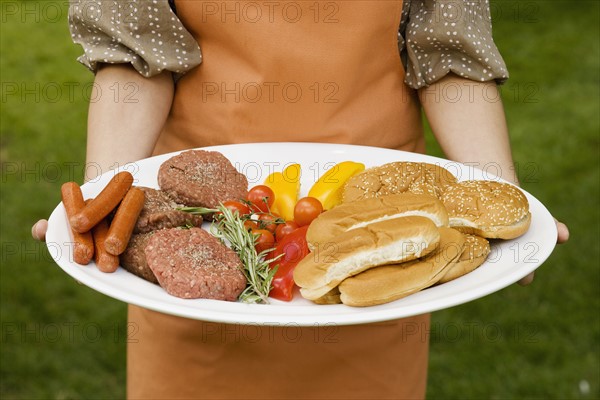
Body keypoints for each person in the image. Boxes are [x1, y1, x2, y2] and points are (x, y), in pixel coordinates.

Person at [32, 0, 569, 398]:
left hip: (381, 227)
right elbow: (132, 54)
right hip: (199, 229)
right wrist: (104, 206)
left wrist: (496, 203)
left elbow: (451, 58)